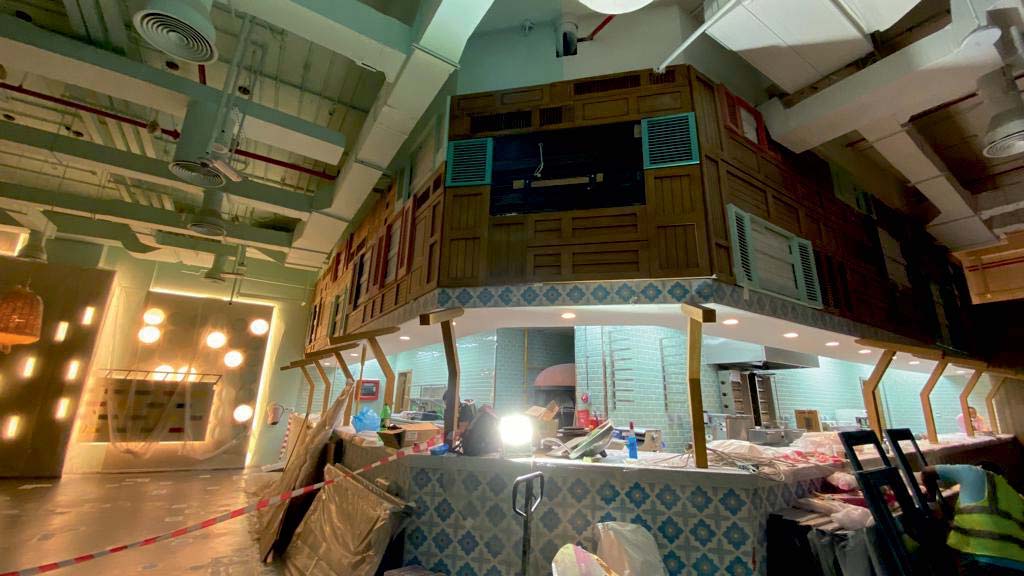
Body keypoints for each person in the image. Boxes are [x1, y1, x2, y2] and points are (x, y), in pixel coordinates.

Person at [922, 464, 1024, 573]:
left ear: (979, 467)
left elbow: (927, 472)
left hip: (983, 560)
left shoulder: (974, 472)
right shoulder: (1017, 498)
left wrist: (932, 504)